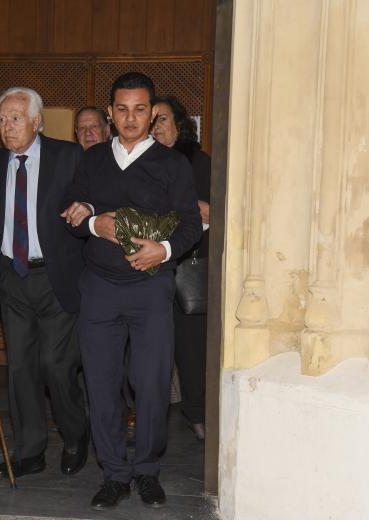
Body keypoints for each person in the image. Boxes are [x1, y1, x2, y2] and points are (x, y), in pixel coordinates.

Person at [62, 72, 202, 510]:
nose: (130, 117)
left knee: (152, 384)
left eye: (140, 109)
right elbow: (73, 206)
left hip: (150, 290)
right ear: (110, 113)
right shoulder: (93, 160)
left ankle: (146, 471)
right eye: (121, 109)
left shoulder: (172, 164)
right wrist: (89, 221)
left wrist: (162, 250)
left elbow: (190, 224)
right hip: (100, 290)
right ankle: (114, 475)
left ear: (152, 113)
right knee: (102, 386)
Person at [0, 87, 89, 480]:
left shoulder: (68, 157)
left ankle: (76, 435)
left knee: (56, 364)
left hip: (55, 277)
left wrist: (88, 211)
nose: (7, 126)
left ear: (36, 121)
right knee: (21, 369)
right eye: (1, 119)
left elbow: (88, 203)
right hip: (12, 277)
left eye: (15, 118)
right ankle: (29, 450)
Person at [152, 96, 211, 441]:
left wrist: (168, 205)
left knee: (191, 348)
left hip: (188, 267)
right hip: (149, 266)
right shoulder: (147, 161)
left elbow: (209, 211)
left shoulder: (197, 162)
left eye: (163, 120)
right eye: (153, 121)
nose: (156, 127)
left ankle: (198, 412)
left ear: (179, 125)